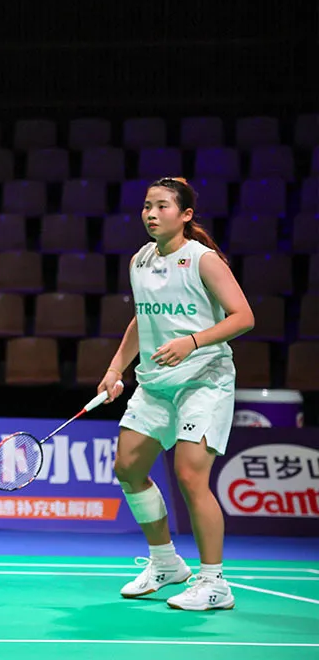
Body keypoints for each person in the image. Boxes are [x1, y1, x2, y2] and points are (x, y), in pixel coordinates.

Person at [97, 176, 254, 612]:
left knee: (189, 474)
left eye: (163, 206)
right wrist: (115, 369)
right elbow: (142, 320)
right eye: (147, 206)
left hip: (204, 379)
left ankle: (214, 582)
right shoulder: (141, 260)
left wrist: (193, 341)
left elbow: (244, 316)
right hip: (156, 382)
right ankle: (165, 563)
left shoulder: (203, 261)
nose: (151, 214)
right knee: (128, 468)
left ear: (185, 215)